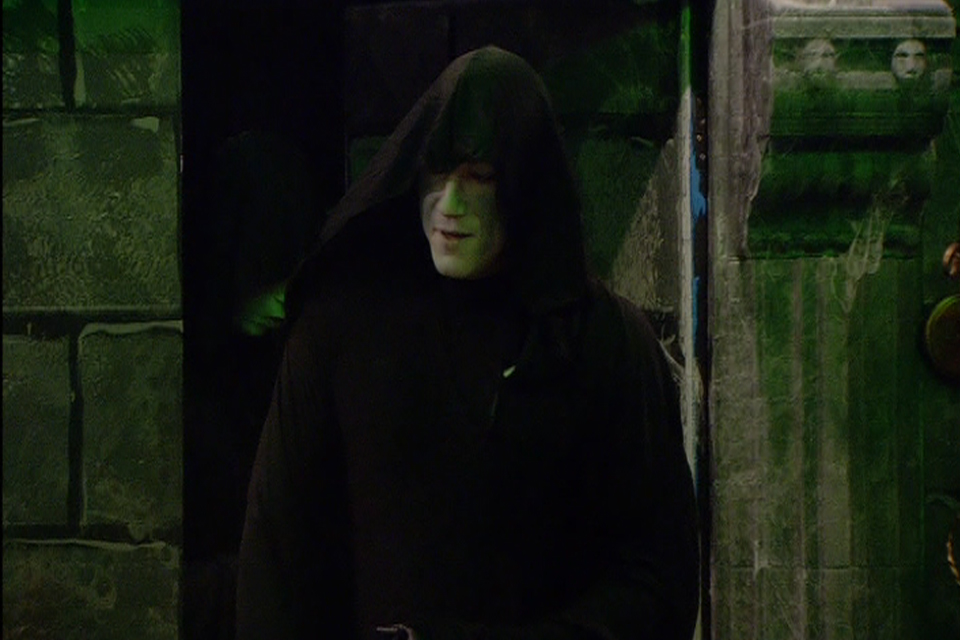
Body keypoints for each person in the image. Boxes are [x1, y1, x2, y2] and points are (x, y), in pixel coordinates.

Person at [236, 46, 699, 640]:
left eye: (479, 176)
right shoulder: (343, 328)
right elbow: (278, 564)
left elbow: (658, 581)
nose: (450, 206)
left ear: (523, 183)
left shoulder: (606, 344)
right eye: (436, 171)